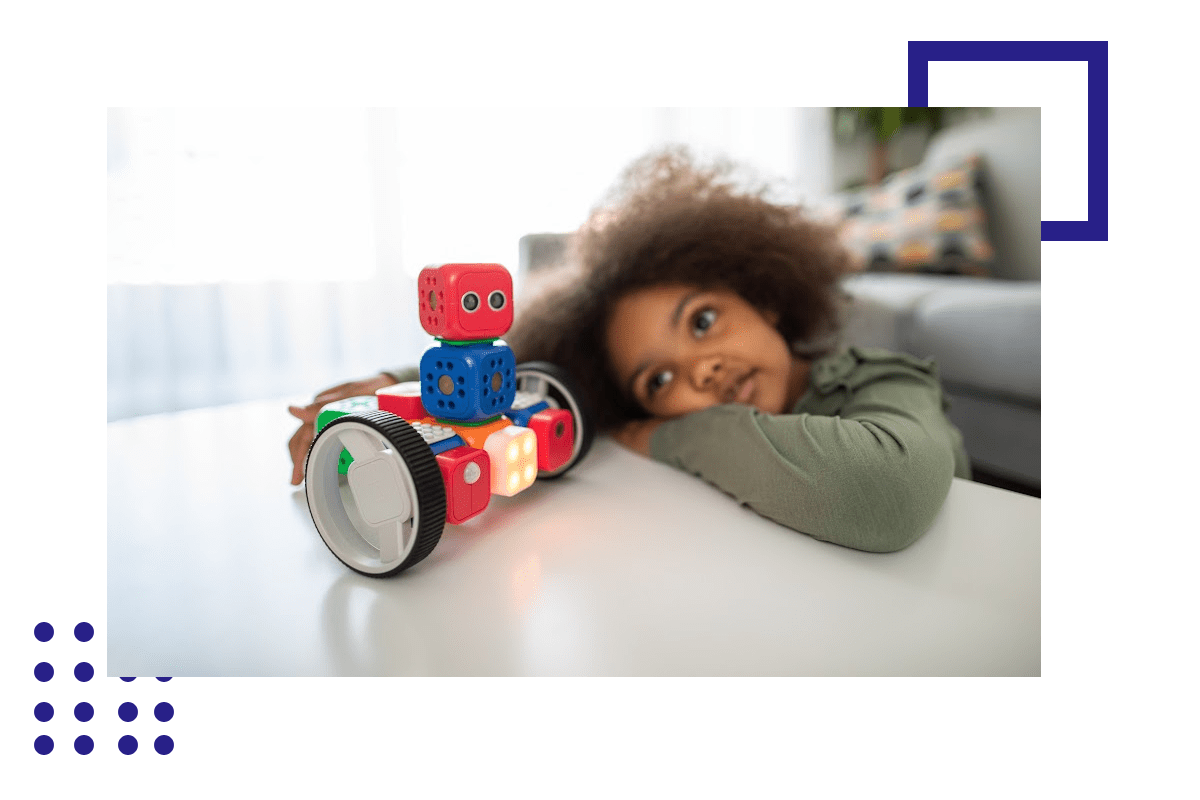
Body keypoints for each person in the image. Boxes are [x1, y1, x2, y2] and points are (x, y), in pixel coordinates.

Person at [288, 148, 970, 552]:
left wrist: (674, 436)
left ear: (762, 294)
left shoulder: (880, 380)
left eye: (702, 320)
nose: (700, 369)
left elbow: (886, 493)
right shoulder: (608, 402)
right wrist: (392, 388)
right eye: (658, 380)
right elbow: (513, 376)